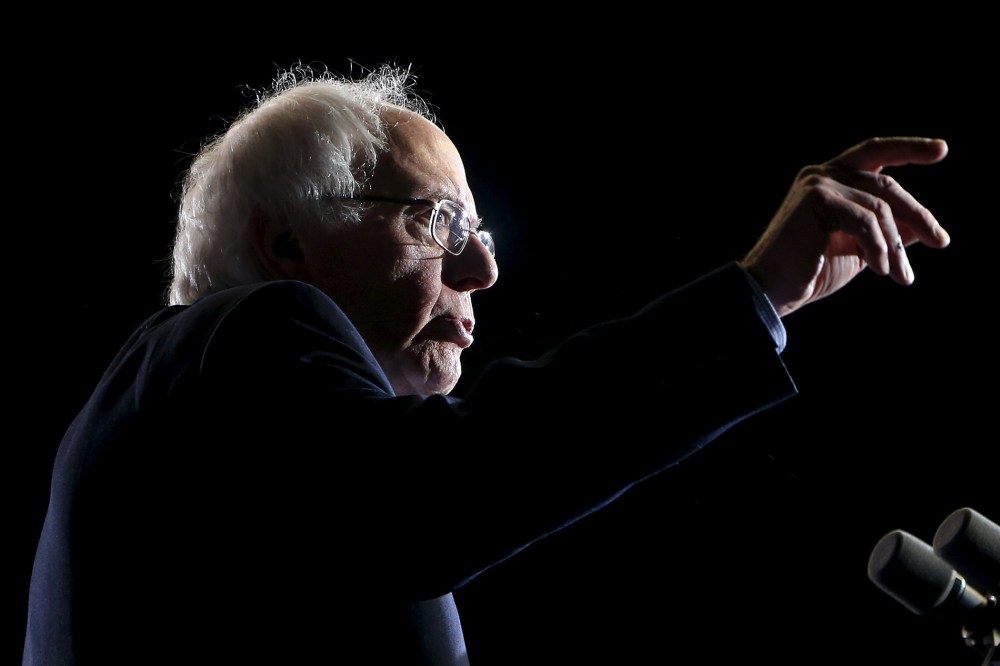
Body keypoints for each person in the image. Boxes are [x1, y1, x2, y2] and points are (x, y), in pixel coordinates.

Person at [22, 63, 950, 666]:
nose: (483, 271)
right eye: (438, 222)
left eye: (483, 232)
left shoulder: (218, 429)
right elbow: (431, 494)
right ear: (289, 244)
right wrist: (755, 295)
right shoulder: (245, 331)